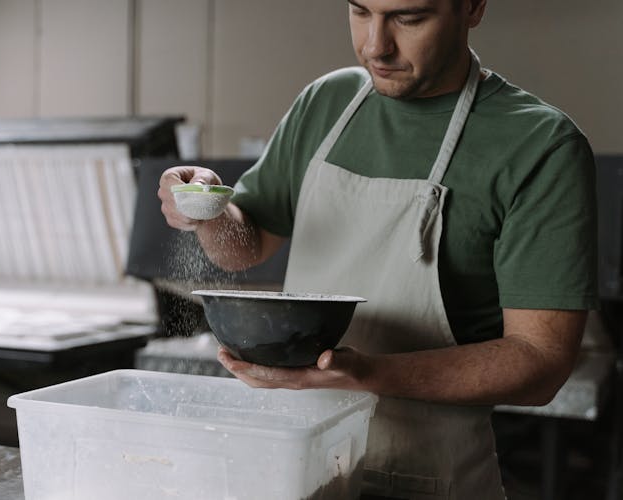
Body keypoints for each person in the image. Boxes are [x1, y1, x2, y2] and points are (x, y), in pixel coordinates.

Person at [158, 0, 598, 498]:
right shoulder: (327, 104)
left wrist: (365, 373)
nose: (375, 46)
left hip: (431, 476)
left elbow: (540, 363)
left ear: (472, 8)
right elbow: (245, 246)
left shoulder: (539, 145)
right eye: (360, 11)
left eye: (409, 18)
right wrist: (209, 210)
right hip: (300, 466)